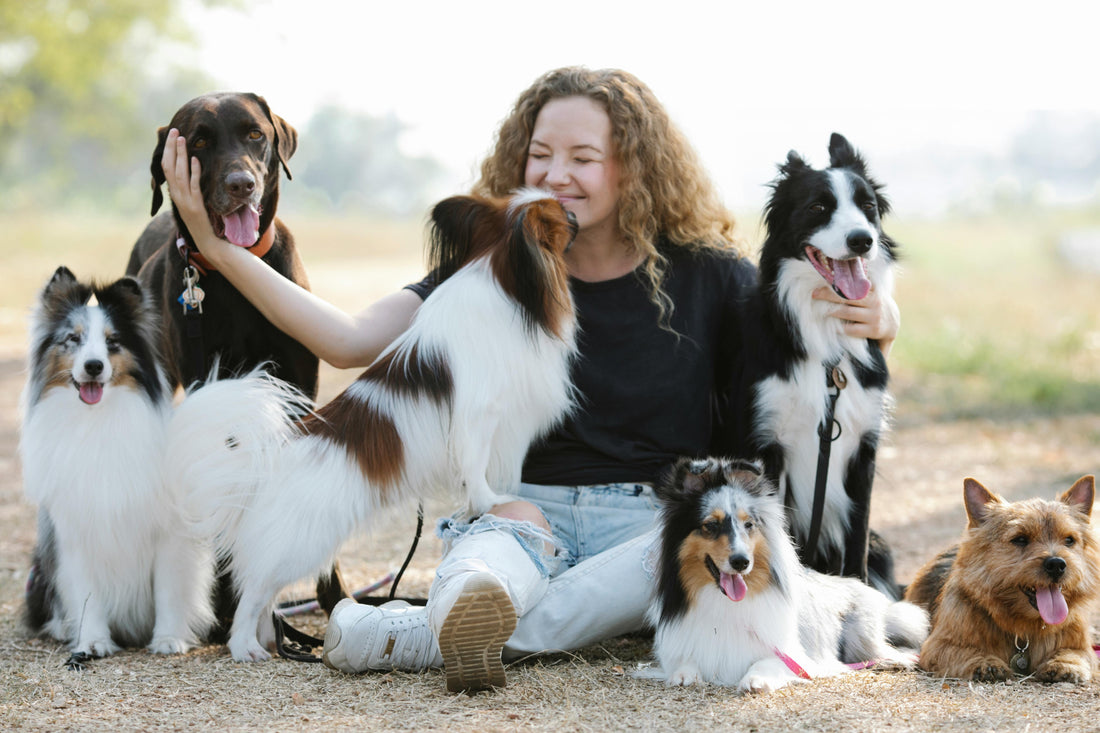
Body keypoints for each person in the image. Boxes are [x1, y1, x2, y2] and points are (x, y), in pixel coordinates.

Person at [161, 66, 899, 693]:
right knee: (481, 564)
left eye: (584, 156)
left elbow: (800, 316)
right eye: (542, 154)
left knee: (666, 561)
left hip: (639, 523)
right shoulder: (493, 263)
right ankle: (471, 613)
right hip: (522, 513)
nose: (556, 173)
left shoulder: (706, 274)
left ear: (632, 167)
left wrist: (880, 313)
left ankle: (410, 636)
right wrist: (220, 252)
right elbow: (349, 341)